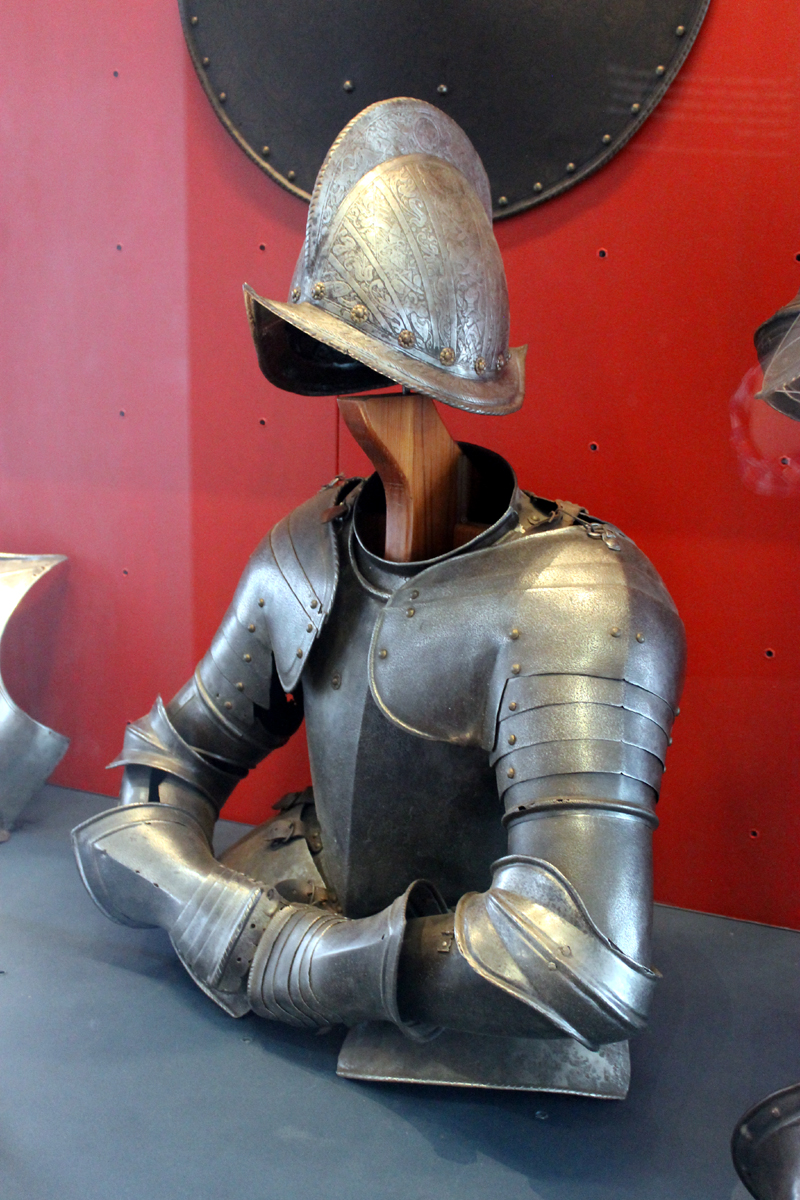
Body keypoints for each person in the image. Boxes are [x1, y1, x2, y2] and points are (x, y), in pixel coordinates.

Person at [74, 98, 685, 1093]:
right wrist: (212, 905)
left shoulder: (577, 598)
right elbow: (168, 760)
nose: (356, 398)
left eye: (360, 366)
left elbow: (581, 958)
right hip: (303, 902)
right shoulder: (309, 548)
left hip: (481, 1016)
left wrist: (299, 958)